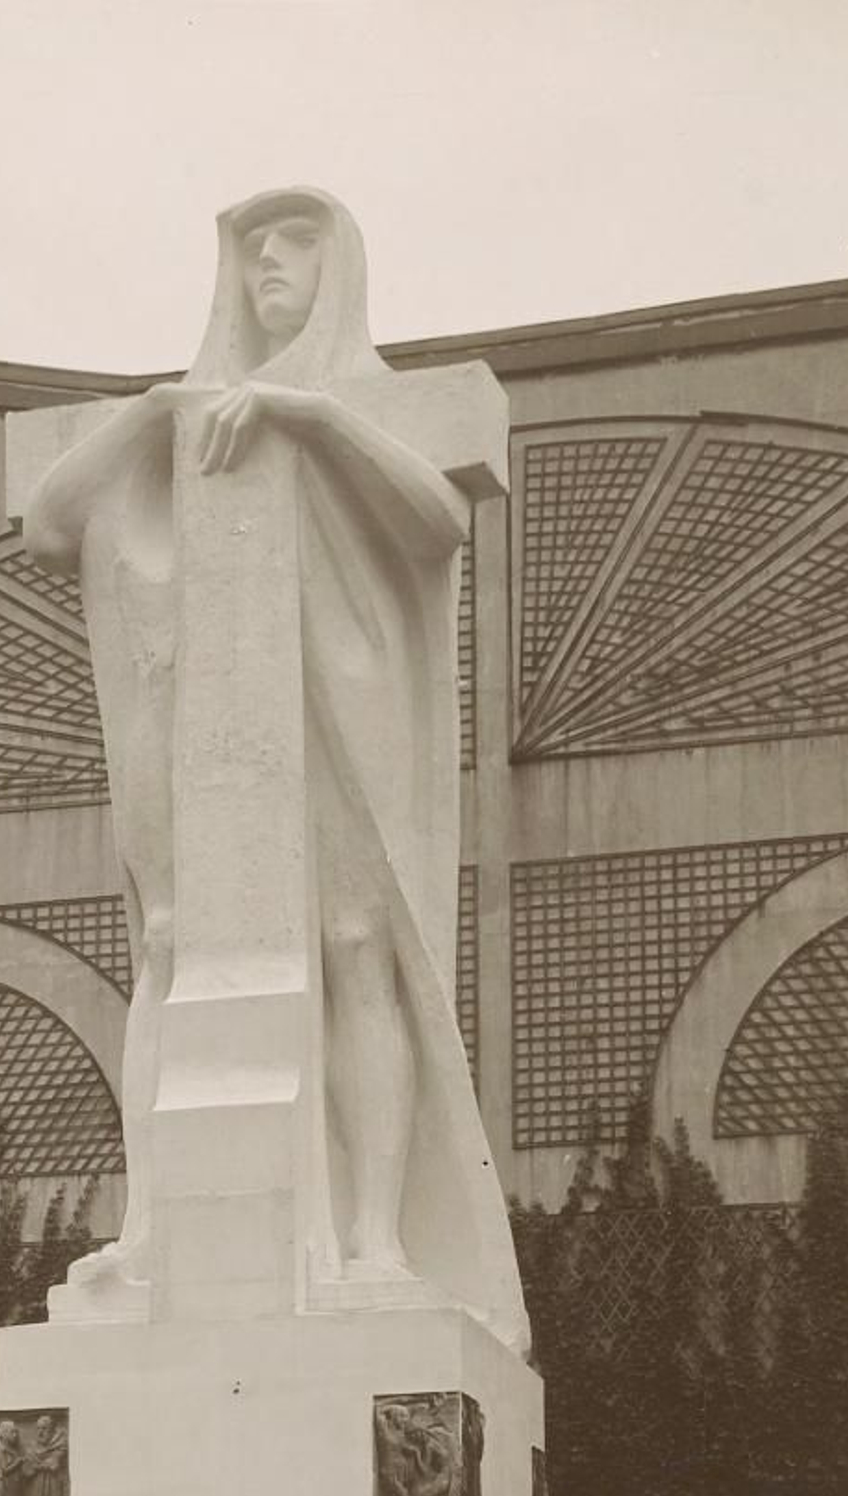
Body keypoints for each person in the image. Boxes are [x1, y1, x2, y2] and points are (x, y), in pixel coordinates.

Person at [27, 187, 526, 1351]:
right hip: (213, 749)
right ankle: (156, 1226)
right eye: (250, 250)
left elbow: (437, 526)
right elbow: (52, 523)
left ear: (340, 264)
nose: (268, 266)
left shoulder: (376, 402)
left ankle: (374, 1238)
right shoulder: (187, 421)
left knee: (358, 944)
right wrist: (151, 414)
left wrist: (312, 418)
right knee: (166, 948)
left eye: (294, 244)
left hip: (345, 724)